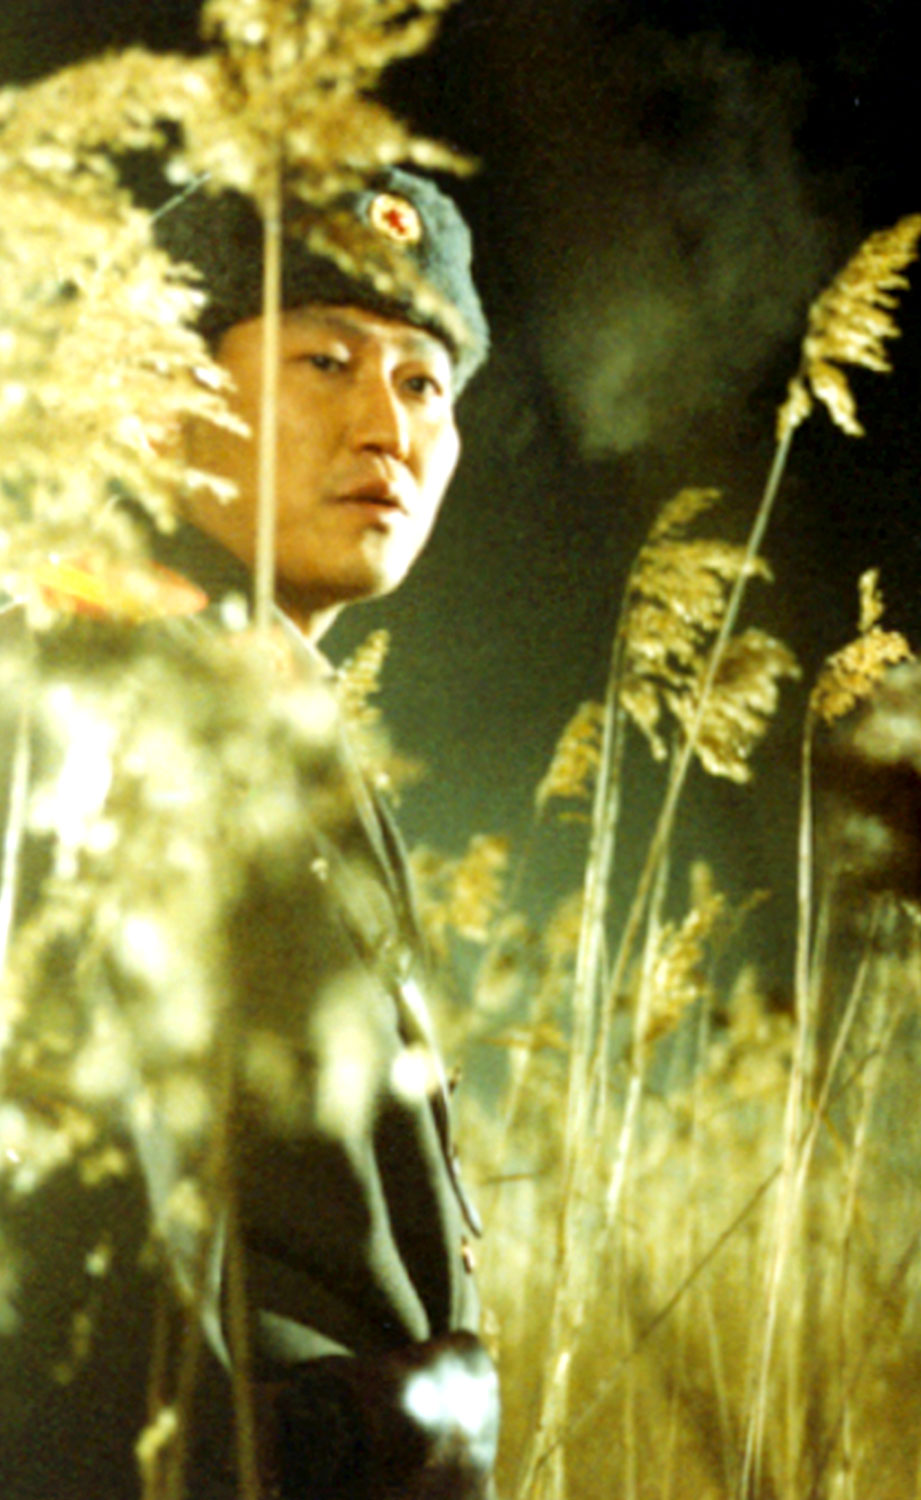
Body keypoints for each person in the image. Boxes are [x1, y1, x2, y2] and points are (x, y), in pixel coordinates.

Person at [0, 167, 499, 1500]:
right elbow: (61, 1231)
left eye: (424, 384)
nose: (386, 426)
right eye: (325, 361)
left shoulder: (273, 705)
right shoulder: (93, 683)